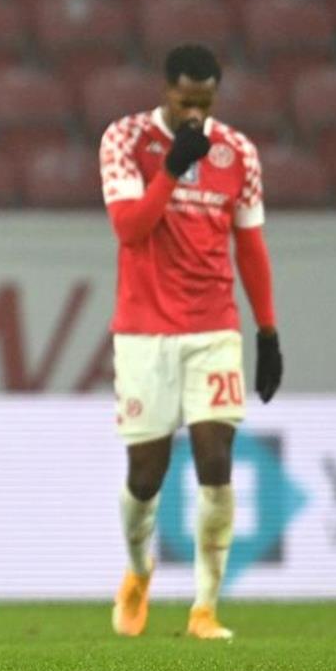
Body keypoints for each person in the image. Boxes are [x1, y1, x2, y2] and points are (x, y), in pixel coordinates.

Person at [98, 44, 284, 640]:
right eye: (185, 100)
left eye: (205, 102)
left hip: (212, 329)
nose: (195, 113)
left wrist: (268, 330)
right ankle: (136, 572)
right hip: (145, 333)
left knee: (215, 463)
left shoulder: (238, 153)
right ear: (164, 89)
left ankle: (205, 607)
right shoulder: (125, 141)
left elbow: (250, 247)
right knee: (146, 476)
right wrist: (173, 167)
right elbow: (129, 230)